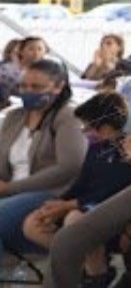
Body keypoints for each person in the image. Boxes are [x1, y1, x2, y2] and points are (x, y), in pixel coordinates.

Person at [23, 92, 131, 286]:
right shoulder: (96, 149)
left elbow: (111, 195)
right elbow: (83, 183)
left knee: (74, 220)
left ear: (104, 128)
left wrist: (67, 206)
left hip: (111, 216)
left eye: (87, 127)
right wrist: (60, 202)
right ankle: (83, 264)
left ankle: (97, 274)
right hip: (86, 208)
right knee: (33, 224)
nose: (84, 131)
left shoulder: (128, 152)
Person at [0, 60, 87, 267]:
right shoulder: (14, 116)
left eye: (37, 87)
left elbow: (70, 166)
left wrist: (10, 188)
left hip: (51, 192)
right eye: (24, 86)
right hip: (8, 190)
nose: (28, 92)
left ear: (58, 87)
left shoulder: (68, 116)